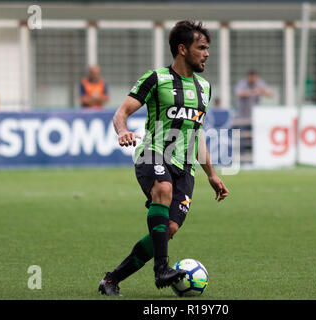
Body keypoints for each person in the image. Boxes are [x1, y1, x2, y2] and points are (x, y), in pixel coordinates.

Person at [98, 20, 229, 296]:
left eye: (208, 48)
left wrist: (212, 174)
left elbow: (197, 133)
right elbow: (121, 112)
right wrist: (122, 132)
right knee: (163, 189)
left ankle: (112, 279)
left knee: (167, 229)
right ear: (182, 49)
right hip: (153, 152)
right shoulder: (156, 78)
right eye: (201, 48)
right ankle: (161, 268)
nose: (206, 54)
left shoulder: (204, 88)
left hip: (185, 166)